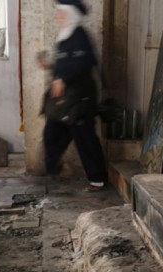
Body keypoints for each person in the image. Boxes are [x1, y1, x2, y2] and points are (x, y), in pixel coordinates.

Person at [38, 0, 108, 191]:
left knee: (84, 137)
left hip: (80, 99)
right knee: (52, 133)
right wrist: (51, 67)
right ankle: (52, 168)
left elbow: (85, 62)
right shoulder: (64, 38)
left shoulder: (80, 35)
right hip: (66, 102)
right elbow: (67, 63)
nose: (58, 17)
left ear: (71, 15)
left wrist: (63, 80)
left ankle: (98, 179)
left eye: (61, 14)